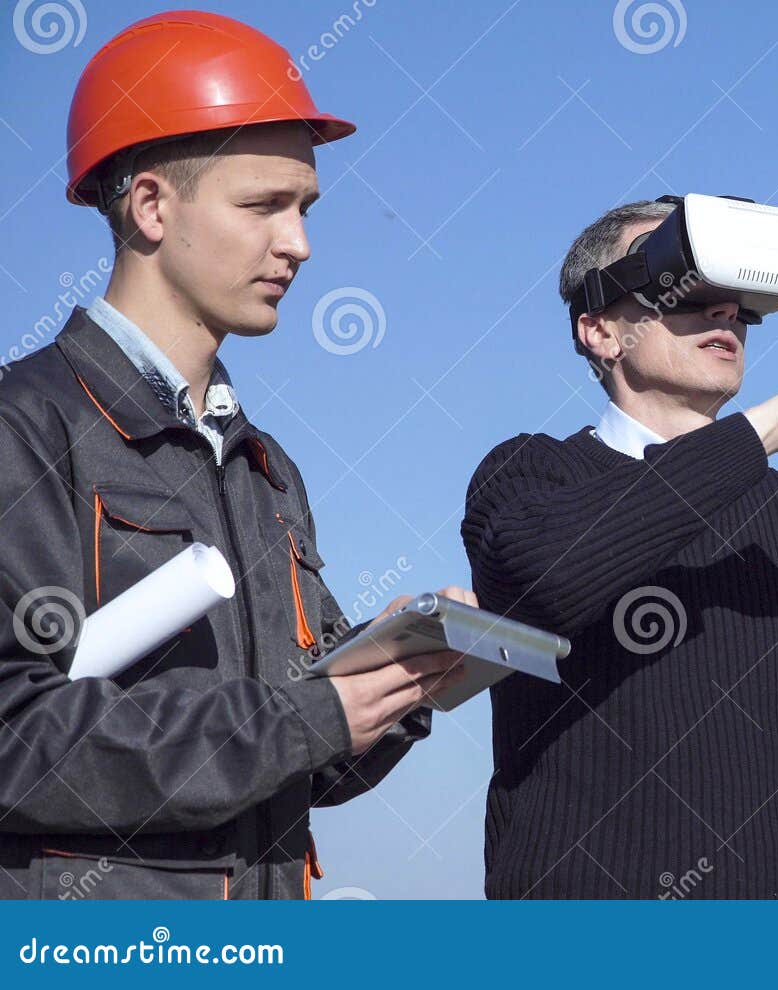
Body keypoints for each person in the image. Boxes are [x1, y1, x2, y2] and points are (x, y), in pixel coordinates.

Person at [0, 10, 472, 900]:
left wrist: (393, 684)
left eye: (305, 209)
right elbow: (15, 736)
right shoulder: (22, 429)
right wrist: (302, 718)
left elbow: (295, 763)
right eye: (263, 206)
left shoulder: (264, 467)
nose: (299, 243)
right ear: (151, 206)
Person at [460, 199, 778, 899]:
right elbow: (547, 580)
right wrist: (764, 431)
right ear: (600, 330)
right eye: (682, 286)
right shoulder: (529, 474)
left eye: (737, 299)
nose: (724, 312)